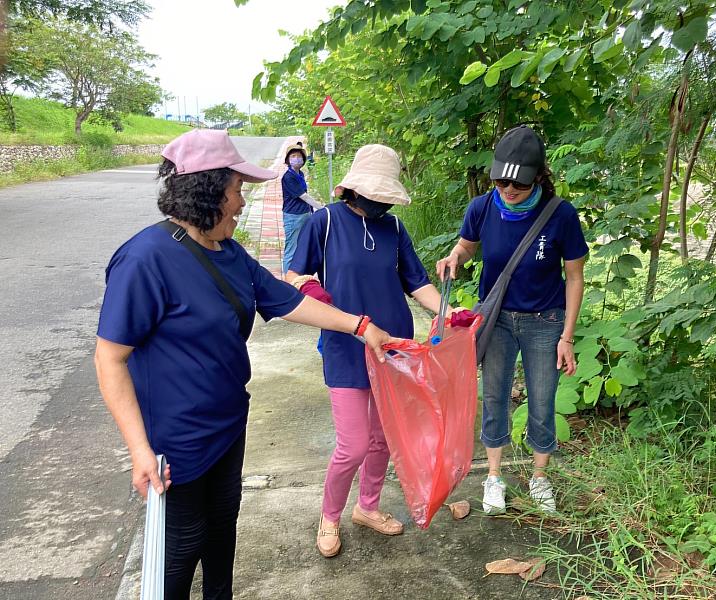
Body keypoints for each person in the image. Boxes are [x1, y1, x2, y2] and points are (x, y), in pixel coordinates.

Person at [94, 129, 395, 599]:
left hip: (229, 426)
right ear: (208, 192)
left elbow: (285, 299)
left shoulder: (230, 254)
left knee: (221, 535)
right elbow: (110, 358)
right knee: (182, 547)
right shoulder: (144, 259)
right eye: (237, 191)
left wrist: (359, 326)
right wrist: (138, 450)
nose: (241, 204)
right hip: (177, 440)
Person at [286, 144, 453, 558]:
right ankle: (329, 517)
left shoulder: (394, 229)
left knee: (381, 440)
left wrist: (452, 310)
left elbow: (417, 283)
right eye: (374, 195)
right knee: (353, 445)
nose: (380, 203)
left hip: (394, 348)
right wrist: (319, 295)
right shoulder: (323, 221)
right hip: (345, 346)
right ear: (355, 188)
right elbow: (294, 274)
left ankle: (368, 507)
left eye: (385, 197)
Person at [436, 125, 588, 515]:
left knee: (541, 400)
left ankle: (539, 478)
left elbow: (574, 277)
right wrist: (455, 258)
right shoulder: (483, 207)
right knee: (495, 398)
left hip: (546, 320)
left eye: (516, 186)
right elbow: (467, 246)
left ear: (539, 177)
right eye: (501, 183)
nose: (507, 191)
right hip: (497, 320)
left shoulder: (560, 215)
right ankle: (493, 477)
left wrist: (566, 337)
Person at [281, 141, 322, 276]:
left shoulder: (300, 174)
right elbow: (303, 196)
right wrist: (321, 208)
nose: (296, 158)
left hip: (304, 214)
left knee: (303, 246)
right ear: (288, 159)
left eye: (299, 156)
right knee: (291, 249)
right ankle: (288, 281)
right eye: (293, 156)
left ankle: (299, 276)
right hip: (293, 216)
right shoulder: (288, 177)